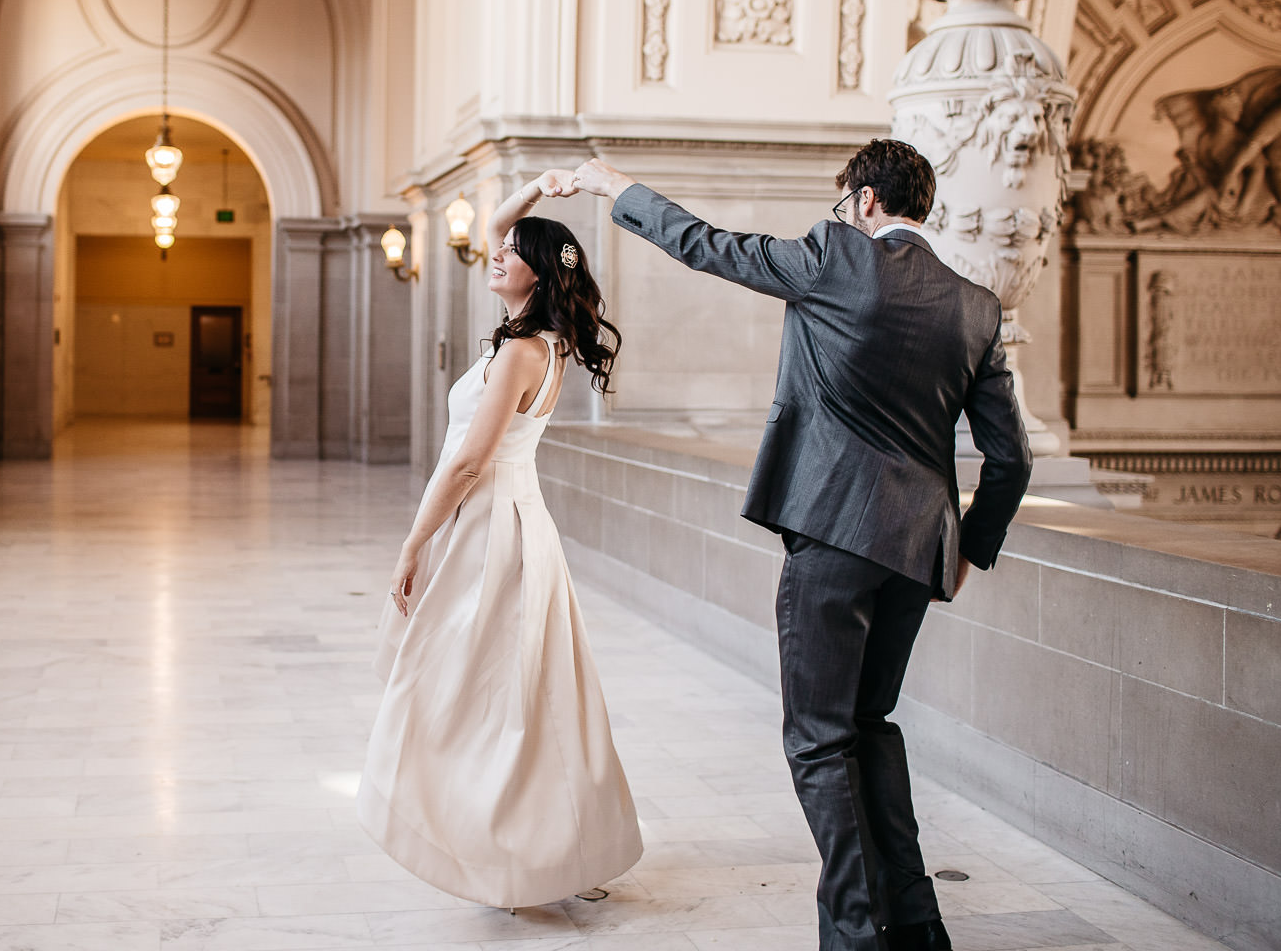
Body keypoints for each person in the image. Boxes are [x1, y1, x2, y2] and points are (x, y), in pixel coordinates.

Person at [571, 141, 1031, 951]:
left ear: (863, 201)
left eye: (844, 203)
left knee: (818, 739)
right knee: (871, 724)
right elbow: (1013, 458)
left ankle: (854, 934)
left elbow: (707, 246)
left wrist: (617, 187)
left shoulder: (833, 257)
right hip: (917, 550)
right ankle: (917, 925)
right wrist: (967, 551)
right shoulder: (976, 306)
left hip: (832, 532)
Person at [358, 170, 643, 910]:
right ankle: (540, 844)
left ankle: (510, 846)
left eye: (513, 252)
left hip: (491, 524)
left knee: (476, 686)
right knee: (520, 686)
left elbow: (468, 463)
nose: (496, 253)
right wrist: (536, 189)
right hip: (510, 518)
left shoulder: (521, 353)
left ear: (537, 274)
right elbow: (494, 230)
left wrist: (412, 544)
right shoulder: (537, 340)